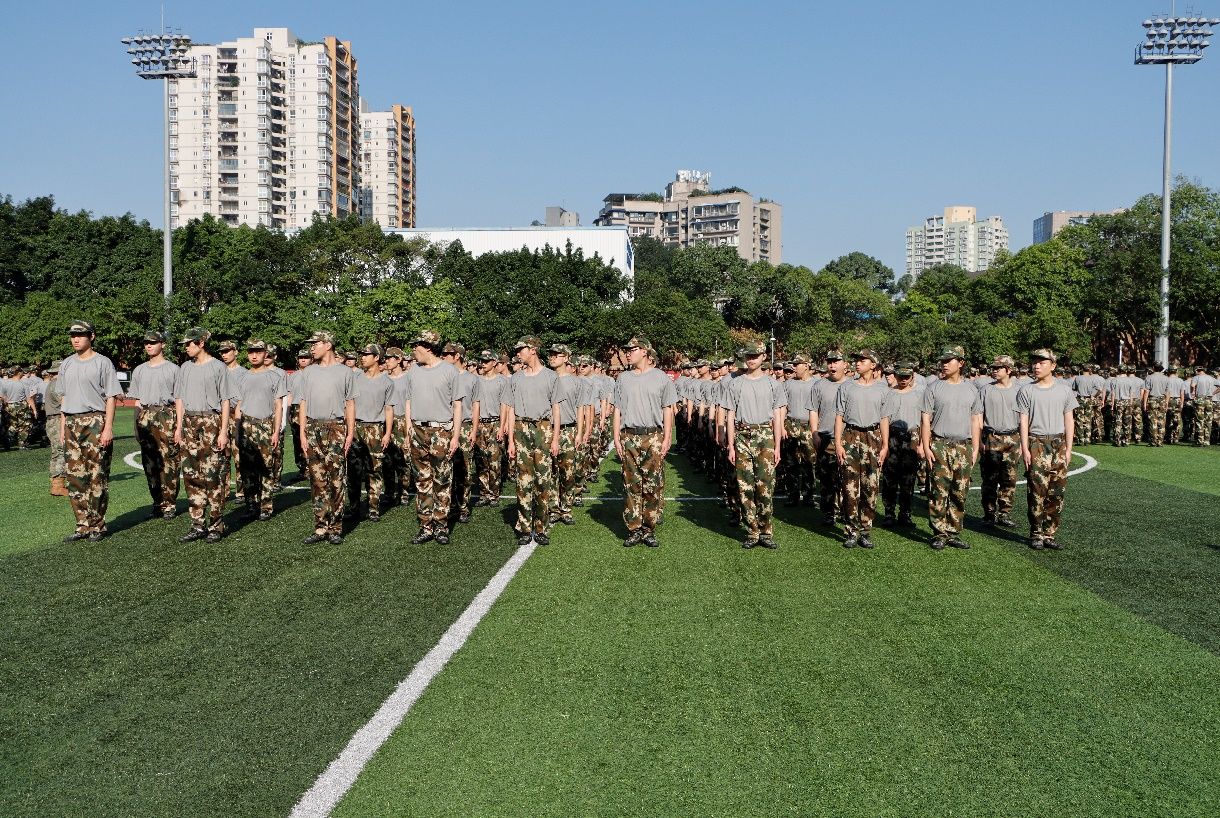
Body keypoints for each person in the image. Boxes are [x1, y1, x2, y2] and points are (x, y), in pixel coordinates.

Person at [58, 320, 124, 542]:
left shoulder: (103, 363)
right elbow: (63, 398)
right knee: (75, 477)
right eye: (72, 335)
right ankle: (82, 525)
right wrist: (62, 428)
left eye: (81, 335)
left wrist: (108, 428)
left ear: (92, 336)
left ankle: (97, 525)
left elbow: (111, 397)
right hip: (71, 421)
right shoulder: (66, 364)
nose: (75, 339)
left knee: (96, 475)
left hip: (95, 420)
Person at [613, 337, 678, 547]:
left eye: (631, 349)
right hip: (629, 436)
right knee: (631, 484)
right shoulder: (623, 378)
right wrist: (616, 437)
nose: (627, 353)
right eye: (627, 350)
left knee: (652, 485)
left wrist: (667, 437)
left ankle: (648, 528)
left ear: (644, 351)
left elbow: (667, 409)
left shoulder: (661, 378)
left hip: (654, 436)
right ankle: (634, 528)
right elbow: (617, 409)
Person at [174, 328, 236, 543]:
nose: (186, 348)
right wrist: (179, 427)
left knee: (213, 475)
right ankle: (198, 524)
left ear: (201, 343)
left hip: (211, 421)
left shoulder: (218, 367)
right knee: (191, 475)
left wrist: (223, 431)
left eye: (189, 344)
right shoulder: (184, 368)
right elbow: (179, 399)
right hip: (189, 422)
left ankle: (216, 525)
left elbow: (225, 401)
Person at [296, 330, 356, 545]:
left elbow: (350, 403)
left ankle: (336, 528)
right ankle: (320, 527)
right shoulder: (308, 372)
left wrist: (350, 432)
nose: (312, 347)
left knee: (337, 479)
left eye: (316, 343)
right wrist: (302, 433)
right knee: (317, 480)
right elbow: (303, 403)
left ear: (328, 345)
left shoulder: (345, 372)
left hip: (336, 427)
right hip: (313, 427)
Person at [920, 345, 982, 551]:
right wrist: (926, 446)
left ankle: (953, 531)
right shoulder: (933, 388)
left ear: (961, 363)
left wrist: (975, 447)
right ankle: (939, 532)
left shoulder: (972, 389)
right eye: (943, 361)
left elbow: (975, 420)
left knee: (959, 491)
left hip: (963, 446)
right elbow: (925, 420)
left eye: (949, 361)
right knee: (939, 491)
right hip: (940, 444)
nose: (944, 364)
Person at [725, 340, 786, 549]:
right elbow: (730, 415)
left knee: (765, 486)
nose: (751, 360)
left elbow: (777, 417)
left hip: (765, 435)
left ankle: (766, 531)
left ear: (763, 357)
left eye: (755, 356)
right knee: (745, 486)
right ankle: (752, 531)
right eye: (748, 356)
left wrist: (777, 446)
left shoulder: (773, 384)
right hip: (742, 435)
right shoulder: (735, 384)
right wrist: (731, 445)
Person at [403, 330, 462, 545]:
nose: (413, 349)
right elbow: (408, 402)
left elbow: (457, 406)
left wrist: (455, 436)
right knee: (422, 481)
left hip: (441, 432)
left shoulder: (449, 371)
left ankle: (441, 527)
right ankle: (425, 527)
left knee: (442, 480)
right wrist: (409, 430)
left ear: (428, 347)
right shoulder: (413, 371)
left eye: (416, 345)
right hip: (418, 431)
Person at [1018, 349, 1078, 550]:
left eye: (1042, 362)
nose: (1037, 366)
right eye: (1035, 362)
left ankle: (1049, 533)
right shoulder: (1027, 391)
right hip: (1037, 443)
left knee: (1057, 492)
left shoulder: (1064, 390)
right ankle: (1036, 533)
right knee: (1037, 491)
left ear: (1053, 366)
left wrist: (1068, 449)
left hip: (1058, 444)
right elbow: (1023, 421)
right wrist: (1025, 448)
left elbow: (1069, 420)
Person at [505, 335, 561, 546]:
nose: (518, 353)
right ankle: (525, 528)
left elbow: (556, 410)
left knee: (543, 481)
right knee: (523, 481)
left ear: (533, 350)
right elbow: (511, 410)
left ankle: (541, 527)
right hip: (521, 428)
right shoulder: (515, 378)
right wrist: (511, 441)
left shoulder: (551, 377)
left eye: (521, 349)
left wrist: (555, 438)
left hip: (543, 428)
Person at [834, 349, 889, 549]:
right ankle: (851, 530)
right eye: (857, 360)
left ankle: (865, 531)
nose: (858, 363)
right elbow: (839, 417)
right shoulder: (846, 387)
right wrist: (838, 443)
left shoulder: (883, 389)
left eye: (863, 360)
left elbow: (884, 418)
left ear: (873, 365)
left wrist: (885, 445)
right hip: (850, 435)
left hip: (873, 437)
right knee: (849, 488)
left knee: (870, 487)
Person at [127, 330, 181, 519]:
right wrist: (136, 425)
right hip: (145, 415)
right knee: (150, 463)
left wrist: (179, 427)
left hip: (167, 414)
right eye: (146, 343)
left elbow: (179, 400)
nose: (148, 345)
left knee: (169, 461)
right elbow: (137, 401)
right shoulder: (139, 370)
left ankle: (170, 503)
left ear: (163, 344)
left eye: (153, 342)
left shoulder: (173, 369)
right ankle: (157, 502)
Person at [233, 338, 287, 521]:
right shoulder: (242, 377)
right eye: (251, 352)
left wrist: (276, 431)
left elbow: (278, 406)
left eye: (258, 352)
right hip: (246, 425)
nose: (254, 355)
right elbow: (238, 405)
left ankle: (266, 506)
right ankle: (251, 505)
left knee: (265, 467)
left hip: (265, 425)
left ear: (265, 353)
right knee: (247, 468)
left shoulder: (275, 377)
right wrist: (237, 430)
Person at [347, 343, 394, 523]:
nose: (363, 357)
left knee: (374, 469)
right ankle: (354, 508)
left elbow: (388, 409)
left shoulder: (387, 382)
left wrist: (387, 433)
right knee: (353, 471)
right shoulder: (355, 378)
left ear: (376, 358)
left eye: (367, 354)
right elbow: (348, 404)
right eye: (362, 354)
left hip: (375, 429)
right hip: (356, 427)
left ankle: (373, 508)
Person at [980, 355, 1022, 529]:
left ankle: (1005, 513)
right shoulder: (985, 390)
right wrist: (980, 440)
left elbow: (1025, 417)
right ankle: (989, 514)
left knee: (1009, 479)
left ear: (1008, 370)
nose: (994, 371)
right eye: (993, 368)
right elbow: (978, 417)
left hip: (1013, 438)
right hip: (992, 437)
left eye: (998, 368)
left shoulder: (1020, 390)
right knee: (990, 478)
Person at [879, 361, 923, 526]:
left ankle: (905, 514)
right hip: (893, 436)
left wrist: (922, 444)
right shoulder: (888, 394)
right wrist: (885, 444)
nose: (903, 379)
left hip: (912, 437)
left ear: (912, 376)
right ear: (895, 376)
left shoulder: (920, 394)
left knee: (908, 480)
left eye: (907, 376)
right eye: (900, 376)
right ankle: (889, 513)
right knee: (890, 478)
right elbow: (884, 419)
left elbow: (924, 421)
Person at [547, 343, 585, 526]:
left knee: (568, 471)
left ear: (566, 357)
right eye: (551, 354)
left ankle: (566, 508)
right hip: (548, 429)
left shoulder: (576, 382)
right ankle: (553, 508)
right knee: (550, 470)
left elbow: (580, 408)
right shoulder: (546, 378)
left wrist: (579, 432)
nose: (552, 357)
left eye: (557, 354)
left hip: (568, 429)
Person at [441, 342, 479, 525]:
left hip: (464, 426)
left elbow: (475, 405)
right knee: (445, 469)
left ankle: (463, 506)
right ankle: (448, 506)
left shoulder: (471, 379)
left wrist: (474, 430)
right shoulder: (443, 375)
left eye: (447, 354)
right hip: (445, 426)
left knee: (465, 469)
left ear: (457, 356)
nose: (443, 357)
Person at [810, 350, 848, 523]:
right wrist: (814, 432)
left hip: (847, 438)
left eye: (836, 361)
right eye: (830, 362)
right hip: (825, 437)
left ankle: (846, 511)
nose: (832, 365)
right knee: (827, 479)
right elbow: (813, 410)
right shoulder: (819, 385)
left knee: (847, 479)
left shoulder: (852, 385)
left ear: (845, 364)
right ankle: (829, 512)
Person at [473, 349, 509, 506]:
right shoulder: (477, 381)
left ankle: (494, 494)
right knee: (481, 461)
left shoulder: (502, 381)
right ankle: (484, 493)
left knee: (495, 461)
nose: (483, 363)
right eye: (481, 361)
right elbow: (475, 405)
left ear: (494, 363)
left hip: (495, 423)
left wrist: (502, 426)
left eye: (486, 361)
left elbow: (504, 405)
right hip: (480, 423)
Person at [782, 353, 817, 506]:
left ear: (806, 365)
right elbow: (782, 407)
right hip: (791, 425)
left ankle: (809, 496)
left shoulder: (817, 384)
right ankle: (793, 495)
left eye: (797, 365)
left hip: (809, 426)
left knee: (809, 463)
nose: (794, 368)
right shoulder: (788, 384)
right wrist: (782, 426)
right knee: (791, 463)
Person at [217, 340, 246, 501]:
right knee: (222, 454)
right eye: (222, 352)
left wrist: (238, 420)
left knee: (239, 455)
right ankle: (224, 490)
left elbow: (243, 399)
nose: (224, 354)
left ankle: (241, 491)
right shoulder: (218, 370)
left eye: (227, 351)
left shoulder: (243, 373)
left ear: (236, 352)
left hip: (236, 415)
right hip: (220, 416)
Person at [286, 349, 312, 482]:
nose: (303, 360)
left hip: (310, 409)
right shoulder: (293, 376)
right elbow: (289, 394)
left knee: (310, 440)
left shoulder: (314, 374)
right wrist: (288, 412)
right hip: (295, 409)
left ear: (311, 359)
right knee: (297, 441)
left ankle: (312, 468)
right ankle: (302, 469)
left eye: (306, 357)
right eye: (301, 357)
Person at [43, 363, 68, 496]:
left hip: (55, 420)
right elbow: (65, 402)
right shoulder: (57, 384)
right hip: (57, 420)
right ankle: (57, 485)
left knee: (59, 450)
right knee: (60, 451)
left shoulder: (53, 383)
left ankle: (60, 482)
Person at [1188, 365, 1217, 446]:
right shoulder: (1211, 378)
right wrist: (1213, 393)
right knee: (1208, 420)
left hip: (1200, 399)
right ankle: (1207, 441)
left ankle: (1200, 440)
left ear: (1197, 370)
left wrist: (1192, 393)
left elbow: (1192, 386)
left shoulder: (1196, 377)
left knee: (1199, 420)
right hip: (1209, 399)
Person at [1164, 367, 1190, 444]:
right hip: (1178, 400)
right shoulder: (1180, 380)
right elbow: (1182, 393)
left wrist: (1165, 403)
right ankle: (1175, 438)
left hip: (1168, 400)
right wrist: (1182, 403)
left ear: (1169, 372)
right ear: (1176, 372)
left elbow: (1166, 392)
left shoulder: (1166, 379)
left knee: (1168, 419)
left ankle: (1168, 437)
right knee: (1177, 420)